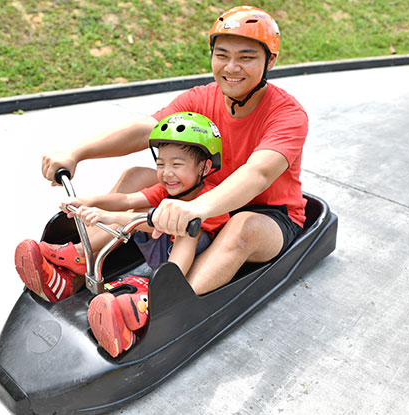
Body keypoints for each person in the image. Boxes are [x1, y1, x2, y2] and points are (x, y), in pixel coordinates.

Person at [39, 5, 308, 299]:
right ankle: (78, 264)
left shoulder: (287, 114)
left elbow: (258, 173)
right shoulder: (201, 97)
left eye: (246, 57)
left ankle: (157, 307)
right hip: (205, 195)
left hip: (267, 215)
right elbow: (147, 130)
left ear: (271, 60)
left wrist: (197, 208)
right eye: (222, 56)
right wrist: (77, 152)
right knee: (136, 177)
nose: (232, 68)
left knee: (243, 226)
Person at [14, 113, 229, 313]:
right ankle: (78, 259)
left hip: (187, 262)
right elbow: (127, 200)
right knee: (142, 208)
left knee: (186, 229)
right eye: (161, 164)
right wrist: (87, 202)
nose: (167, 173)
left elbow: (166, 223)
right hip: (161, 251)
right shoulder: (165, 190)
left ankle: (160, 294)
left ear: (205, 167)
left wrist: (112, 217)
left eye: (177, 165)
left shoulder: (209, 198)